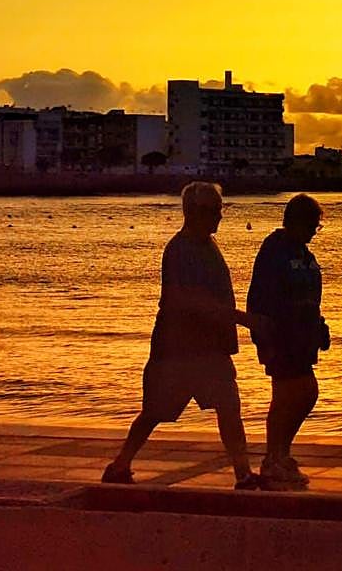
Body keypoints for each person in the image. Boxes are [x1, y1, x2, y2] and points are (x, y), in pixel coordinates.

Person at [103, 182, 264, 490]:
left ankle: (242, 472)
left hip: (210, 348)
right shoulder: (180, 250)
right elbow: (190, 301)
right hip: (179, 351)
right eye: (216, 211)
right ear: (197, 212)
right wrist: (243, 319)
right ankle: (121, 463)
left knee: (229, 406)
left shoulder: (206, 245)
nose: (220, 218)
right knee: (154, 412)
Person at [247, 193, 327, 490]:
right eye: (312, 226)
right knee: (291, 396)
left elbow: (310, 298)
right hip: (280, 337)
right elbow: (260, 299)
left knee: (302, 395)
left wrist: (320, 327)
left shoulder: (304, 255)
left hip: (302, 338)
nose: (313, 232)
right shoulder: (275, 252)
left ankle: (280, 453)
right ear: (296, 222)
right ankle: (274, 457)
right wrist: (264, 339)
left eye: (317, 227)